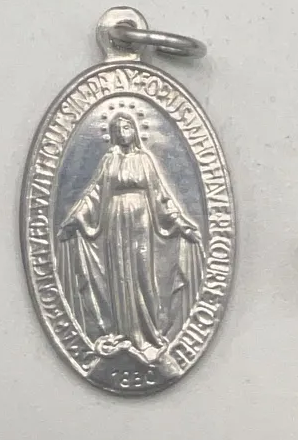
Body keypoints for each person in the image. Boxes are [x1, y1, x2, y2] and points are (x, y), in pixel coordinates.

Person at [57, 112, 204, 360]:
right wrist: (75, 218)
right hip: (114, 220)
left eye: (127, 128)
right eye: (118, 130)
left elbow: (161, 196)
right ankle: (124, 332)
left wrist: (180, 222)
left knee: (142, 273)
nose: (123, 133)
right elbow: (94, 194)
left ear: (134, 131)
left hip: (142, 220)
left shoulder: (144, 160)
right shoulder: (109, 161)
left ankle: (149, 332)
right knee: (120, 273)